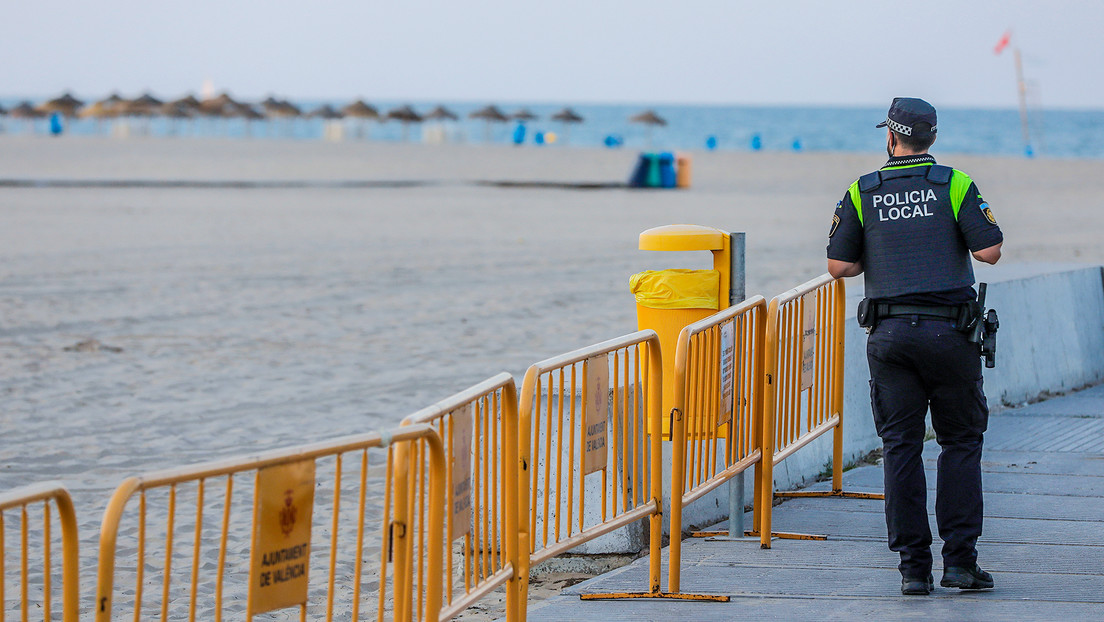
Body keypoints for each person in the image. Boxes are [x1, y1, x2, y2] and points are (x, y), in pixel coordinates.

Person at [825, 97, 1004, 596]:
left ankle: (912, 569)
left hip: (891, 336)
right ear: (932, 139)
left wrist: (875, 256)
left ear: (891, 137)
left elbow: (839, 266)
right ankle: (961, 565)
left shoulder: (864, 190)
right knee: (961, 443)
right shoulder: (955, 184)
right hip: (951, 335)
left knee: (900, 446)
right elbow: (988, 251)